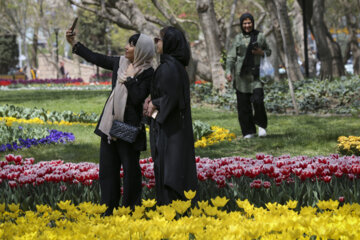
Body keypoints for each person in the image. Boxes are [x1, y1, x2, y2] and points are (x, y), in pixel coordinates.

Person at [66, 29, 155, 215]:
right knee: (108, 170)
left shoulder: (148, 72)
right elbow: (95, 57)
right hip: (109, 125)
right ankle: (108, 209)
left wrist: (129, 79)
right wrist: (74, 43)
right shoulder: (120, 63)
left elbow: (139, 96)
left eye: (131, 45)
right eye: (128, 43)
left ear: (141, 50)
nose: (126, 47)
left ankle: (130, 210)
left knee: (130, 171)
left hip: (129, 128)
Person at [145, 26, 198, 205]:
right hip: (176, 129)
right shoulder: (175, 66)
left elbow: (171, 99)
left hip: (170, 131)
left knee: (170, 172)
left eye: (158, 40)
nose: (156, 43)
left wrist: (154, 104)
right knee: (174, 169)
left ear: (169, 42)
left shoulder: (168, 67)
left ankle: (172, 214)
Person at [226, 13, 271, 139]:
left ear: (253, 23)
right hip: (241, 77)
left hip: (256, 76)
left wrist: (261, 52)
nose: (247, 25)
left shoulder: (260, 36)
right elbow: (231, 57)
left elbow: (269, 51)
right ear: (241, 24)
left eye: (249, 23)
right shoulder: (237, 38)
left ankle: (261, 126)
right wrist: (228, 71)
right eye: (244, 23)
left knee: (258, 101)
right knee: (243, 105)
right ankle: (248, 131)